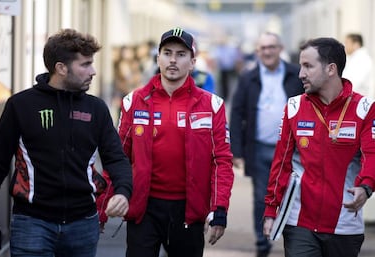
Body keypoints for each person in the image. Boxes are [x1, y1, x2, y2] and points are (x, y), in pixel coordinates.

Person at [0, 28, 132, 257]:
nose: (93, 71)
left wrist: (123, 192)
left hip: (83, 223)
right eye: (85, 64)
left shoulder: (96, 109)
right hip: (32, 223)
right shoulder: (21, 105)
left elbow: (116, 157)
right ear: (61, 68)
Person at [117, 27, 234, 257]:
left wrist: (219, 208)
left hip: (188, 212)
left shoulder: (212, 105)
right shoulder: (134, 101)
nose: (173, 60)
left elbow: (222, 161)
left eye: (181, 54)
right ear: (158, 57)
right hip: (144, 209)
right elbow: (119, 156)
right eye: (167, 52)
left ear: (192, 62)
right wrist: (105, 203)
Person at [263, 37, 375, 257]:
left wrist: (366, 186)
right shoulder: (294, 107)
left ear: (331, 68)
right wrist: (270, 209)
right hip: (298, 223)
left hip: (344, 225)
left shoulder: (365, 108)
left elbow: (372, 154)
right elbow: (281, 164)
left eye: (308, 66)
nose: (300, 73)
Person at [229, 31, 304, 257]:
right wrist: (237, 150)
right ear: (257, 51)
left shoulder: (295, 74)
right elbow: (237, 113)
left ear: (280, 48)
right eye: (263, 48)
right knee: (262, 196)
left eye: (271, 47)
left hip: (293, 150)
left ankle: (298, 242)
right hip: (259, 147)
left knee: (297, 195)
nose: (267, 52)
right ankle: (262, 242)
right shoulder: (248, 77)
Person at [343, 33, 375, 98]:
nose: (344, 45)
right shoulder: (354, 58)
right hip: (353, 99)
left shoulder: (362, 59)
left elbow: (354, 83)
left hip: (358, 102)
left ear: (356, 45)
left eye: (347, 43)